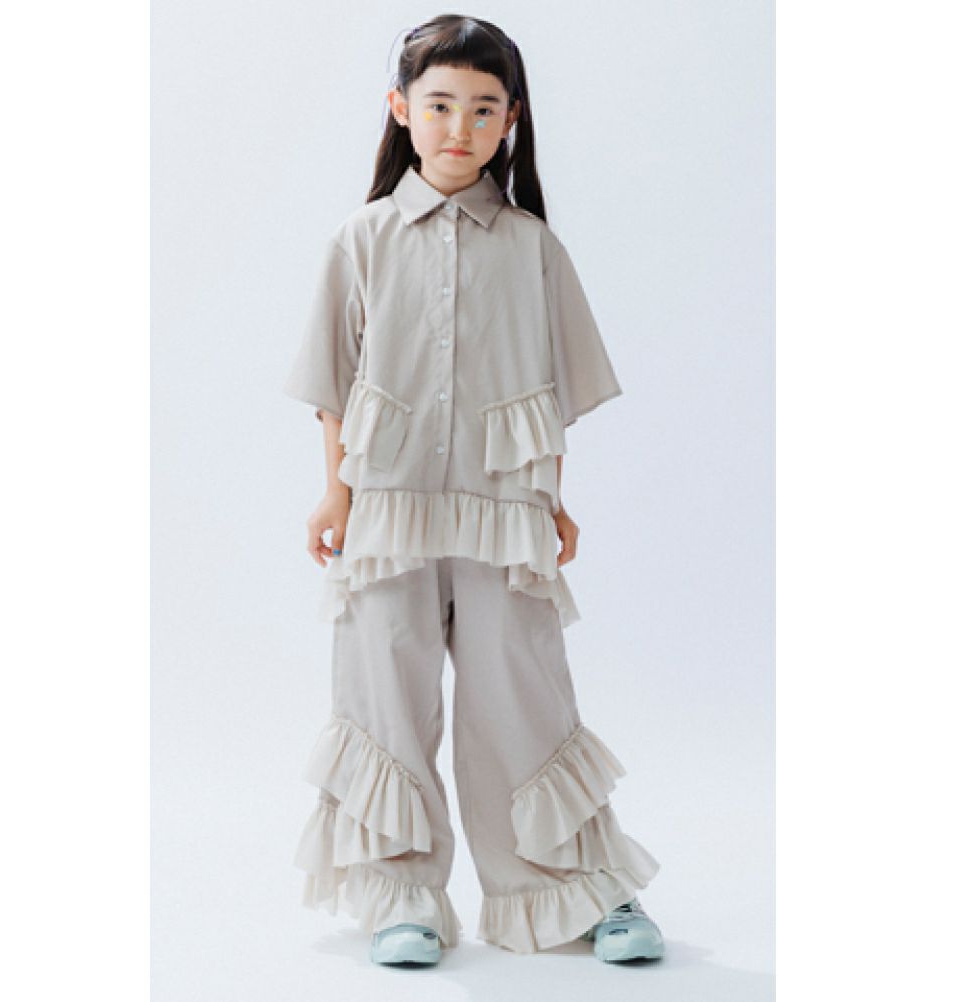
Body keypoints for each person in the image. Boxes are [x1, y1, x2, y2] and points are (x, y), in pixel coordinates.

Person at [283, 14, 664, 967]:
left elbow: (553, 392)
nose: (460, 127)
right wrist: (333, 495)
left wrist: (553, 502)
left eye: (484, 109)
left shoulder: (534, 248)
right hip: (385, 505)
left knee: (520, 691)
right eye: (441, 104)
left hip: (504, 513)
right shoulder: (362, 239)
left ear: (511, 120)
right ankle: (401, 897)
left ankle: (568, 890)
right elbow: (333, 382)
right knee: (386, 692)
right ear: (400, 108)